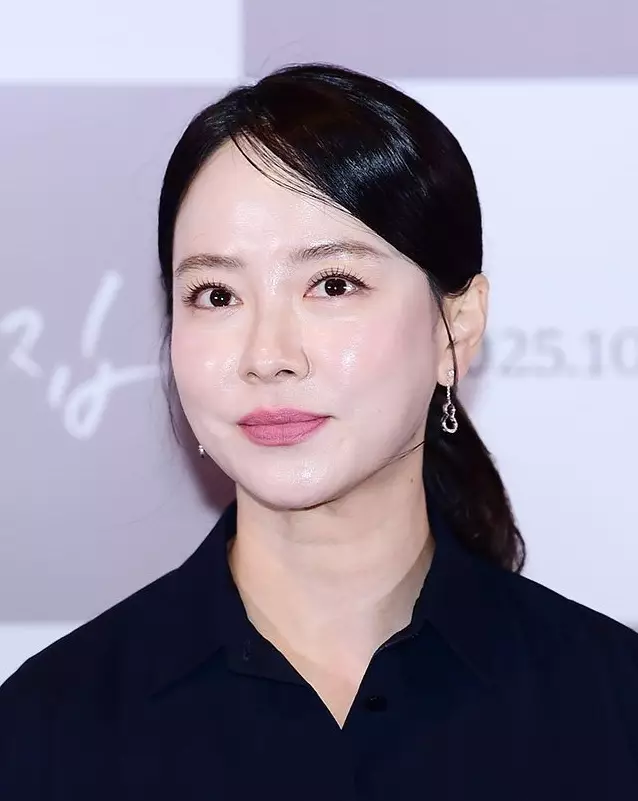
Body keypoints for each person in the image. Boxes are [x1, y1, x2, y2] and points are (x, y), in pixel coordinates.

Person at [1, 62, 637, 799]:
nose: (268, 355)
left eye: (333, 285)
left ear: (457, 328)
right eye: (216, 295)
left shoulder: (611, 709)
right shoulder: (46, 729)